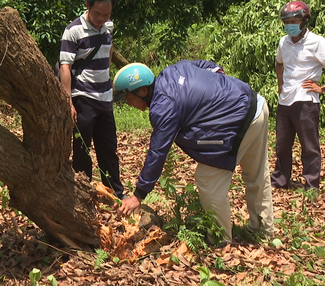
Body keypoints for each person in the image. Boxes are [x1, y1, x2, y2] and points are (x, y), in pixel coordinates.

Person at [114, 61, 274, 243]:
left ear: (142, 91)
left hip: (239, 120)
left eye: (128, 98)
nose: (128, 104)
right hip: (256, 105)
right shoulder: (172, 70)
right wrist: (219, 90)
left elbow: (158, 152)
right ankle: (263, 230)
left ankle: (220, 240)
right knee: (256, 174)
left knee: (208, 179)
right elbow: (208, 66)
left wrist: (138, 195)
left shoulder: (163, 106)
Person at [58, 0, 125, 199]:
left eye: (107, 14)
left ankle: (114, 193)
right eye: (97, 13)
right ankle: (84, 192)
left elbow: (108, 51)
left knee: (108, 148)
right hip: (82, 97)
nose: (101, 18)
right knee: (82, 149)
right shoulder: (73, 30)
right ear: (87, 6)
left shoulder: (108, 27)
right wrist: (67, 101)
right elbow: (65, 66)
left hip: (105, 97)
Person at [272, 1, 325, 191]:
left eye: (294, 20)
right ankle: (280, 181)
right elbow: (279, 63)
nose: (289, 24)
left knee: (309, 146)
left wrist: (323, 87)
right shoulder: (284, 42)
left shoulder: (317, 42)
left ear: (304, 20)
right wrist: (281, 84)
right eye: (286, 21)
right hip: (285, 100)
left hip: (306, 101)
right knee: (282, 145)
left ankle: (311, 186)